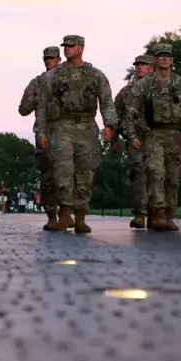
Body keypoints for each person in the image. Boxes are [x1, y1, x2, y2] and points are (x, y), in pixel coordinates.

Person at [34, 34, 118, 233]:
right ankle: (64, 214)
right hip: (61, 127)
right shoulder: (53, 76)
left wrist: (110, 126)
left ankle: (80, 216)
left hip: (87, 126)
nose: (67, 49)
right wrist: (41, 132)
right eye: (65, 46)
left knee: (85, 172)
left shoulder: (95, 75)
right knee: (62, 170)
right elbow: (42, 106)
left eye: (71, 46)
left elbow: (106, 102)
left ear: (81, 48)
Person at [122, 43, 181, 232]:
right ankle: (158, 213)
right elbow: (131, 111)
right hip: (152, 135)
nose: (165, 59)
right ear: (155, 60)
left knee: (174, 177)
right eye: (161, 56)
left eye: (168, 56)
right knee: (156, 173)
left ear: (172, 60)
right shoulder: (145, 84)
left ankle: (168, 214)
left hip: (175, 134)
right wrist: (132, 135)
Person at [19, 45, 66, 230]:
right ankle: (51, 215)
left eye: (52, 58)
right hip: (45, 133)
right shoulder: (36, 83)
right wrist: (37, 98)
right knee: (47, 177)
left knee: (68, 176)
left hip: (67, 133)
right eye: (46, 58)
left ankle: (66, 211)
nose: (49, 61)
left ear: (59, 60)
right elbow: (23, 109)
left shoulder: (68, 80)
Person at [113, 54, 154, 229]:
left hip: (157, 138)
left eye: (143, 65)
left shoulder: (160, 88)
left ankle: (158, 213)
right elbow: (116, 116)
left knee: (159, 175)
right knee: (138, 175)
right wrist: (114, 139)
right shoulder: (126, 92)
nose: (139, 67)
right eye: (137, 65)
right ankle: (139, 213)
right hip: (135, 138)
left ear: (151, 68)